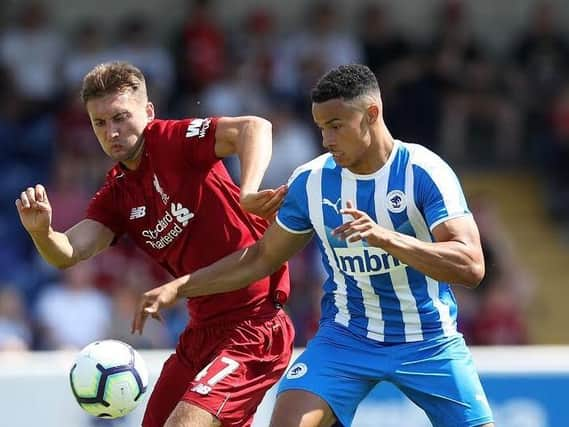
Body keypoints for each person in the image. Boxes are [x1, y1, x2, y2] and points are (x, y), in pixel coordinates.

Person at [133, 64, 495, 427]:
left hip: (429, 340)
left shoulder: (424, 171)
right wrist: (180, 287)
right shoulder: (312, 181)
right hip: (346, 339)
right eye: (321, 128)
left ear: (371, 114)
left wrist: (385, 238)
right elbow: (260, 258)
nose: (326, 140)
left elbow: (470, 265)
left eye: (336, 126)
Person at [15, 61, 294, 427]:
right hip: (200, 332)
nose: (111, 132)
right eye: (100, 123)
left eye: (120, 117)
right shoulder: (116, 193)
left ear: (147, 112)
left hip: (254, 326)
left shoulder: (173, 140)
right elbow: (68, 253)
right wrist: (41, 232)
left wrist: (250, 190)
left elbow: (254, 127)